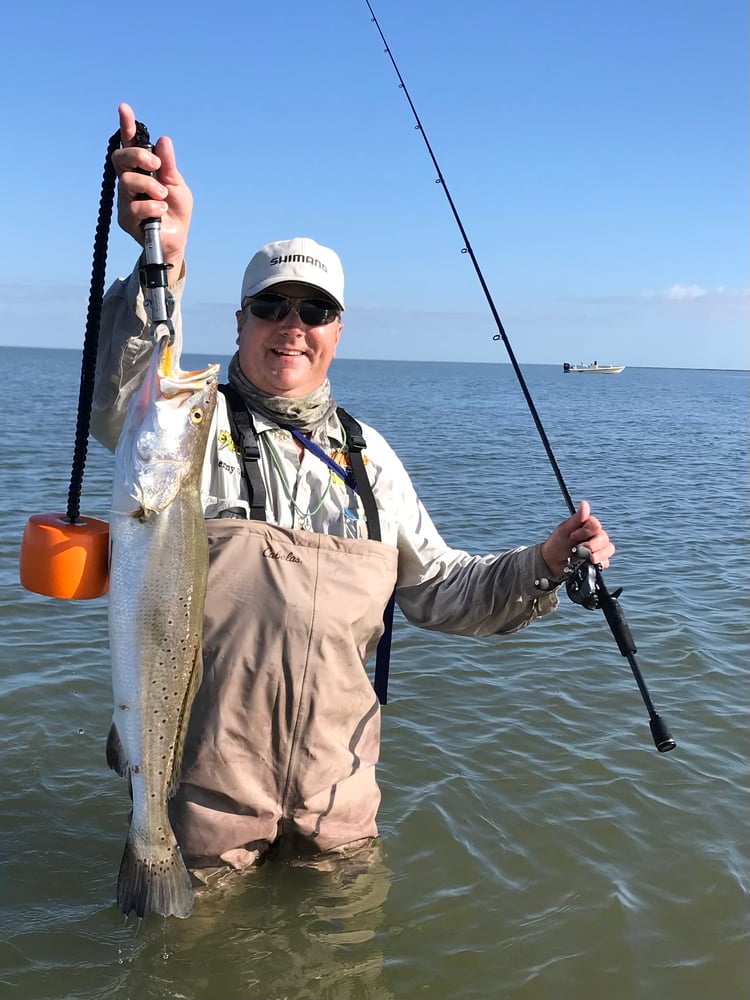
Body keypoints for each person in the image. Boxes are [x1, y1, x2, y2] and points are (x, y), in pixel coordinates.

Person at [92, 103, 616, 876]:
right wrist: (159, 261)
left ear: (339, 331)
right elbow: (118, 391)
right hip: (204, 818)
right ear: (239, 321)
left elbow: (442, 590)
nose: (292, 325)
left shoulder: (371, 460)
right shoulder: (183, 426)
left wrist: (543, 560)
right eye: (272, 306)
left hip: (338, 817)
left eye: (316, 310)